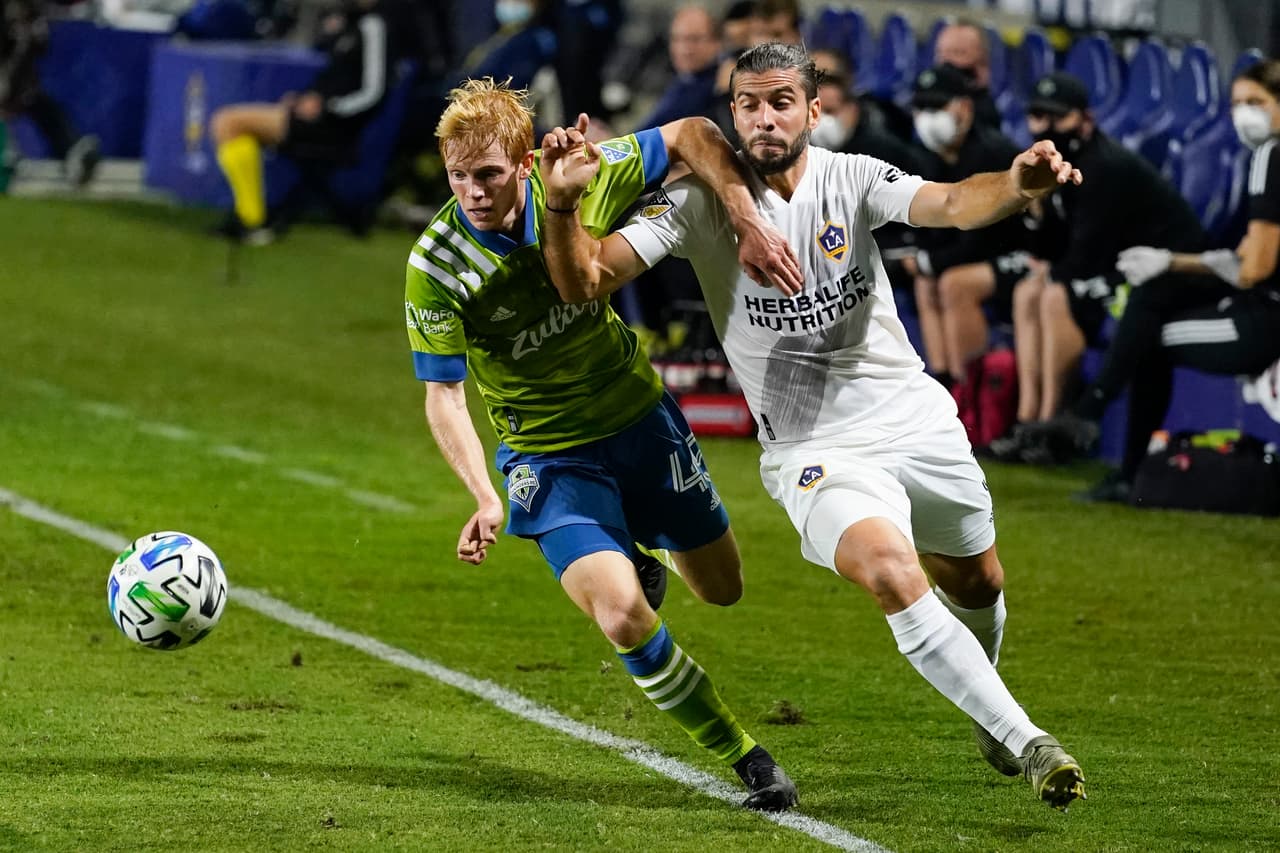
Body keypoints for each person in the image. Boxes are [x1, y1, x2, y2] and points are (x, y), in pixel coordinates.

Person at [538, 42, 1088, 810]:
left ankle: (987, 710)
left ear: (812, 110)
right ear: (733, 113)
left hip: (912, 419)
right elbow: (586, 281)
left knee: (979, 579)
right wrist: (562, 205)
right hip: (814, 450)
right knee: (893, 571)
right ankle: (1029, 740)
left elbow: (956, 203)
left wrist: (1019, 186)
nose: (766, 119)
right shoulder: (695, 204)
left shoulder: (853, 177)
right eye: (750, 105)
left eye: (781, 102)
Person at [405, 77, 804, 811]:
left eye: (488, 173)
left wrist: (744, 216)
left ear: (524, 163)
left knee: (722, 588)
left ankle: (640, 552)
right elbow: (444, 393)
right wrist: (483, 495)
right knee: (622, 614)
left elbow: (689, 133)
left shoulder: (585, 172)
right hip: (550, 459)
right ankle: (747, 756)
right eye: (458, 176)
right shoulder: (435, 267)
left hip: (639, 420)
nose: (474, 191)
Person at [1035, 58, 1280, 502]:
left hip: (1267, 317)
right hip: (1259, 304)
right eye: (1237, 103)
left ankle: (1097, 422)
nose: (1245, 113)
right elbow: (1247, 256)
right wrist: (1173, 261)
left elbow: (1255, 268)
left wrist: (1172, 262)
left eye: (1257, 102)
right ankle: (1109, 445)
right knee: (1151, 304)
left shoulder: (1271, 155)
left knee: (1148, 334)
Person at [989, 72, 1204, 463]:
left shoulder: (1103, 167)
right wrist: (1035, 210)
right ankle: (1027, 420)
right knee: (1027, 289)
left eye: (1059, 117)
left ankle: (1052, 426)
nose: (1048, 127)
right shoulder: (1051, 164)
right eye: (1039, 115)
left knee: (1054, 293)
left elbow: (1087, 255)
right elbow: (1052, 248)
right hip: (1110, 262)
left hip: (1159, 270)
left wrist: (1053, 266)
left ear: (1085, 119)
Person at [209, 0, 413, 243]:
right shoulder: (349, 23)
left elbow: (373, 91)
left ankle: (252, 219)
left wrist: (327, 108)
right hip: (319, 117)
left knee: (229, 122)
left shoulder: (375, 26)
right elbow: (334, 79)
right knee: (228, 123)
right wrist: (304, 100)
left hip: (334, 127)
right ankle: (250, 217)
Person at [905, 65, 1031, 423]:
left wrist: (930, 260)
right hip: (973, 254)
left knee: (954, 282)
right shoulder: (930, 157)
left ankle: (972, 393)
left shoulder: (989, 153)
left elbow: (981, 237)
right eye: (923, 108)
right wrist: (921, 256)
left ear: (964, 108)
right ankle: (945, 388)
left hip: (1018, 254)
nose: (929, 118)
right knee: (926, 281)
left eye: (938, 107)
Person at [0, 0, 99, 187]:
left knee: (41, 107)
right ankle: (9, 156)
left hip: (20, 78)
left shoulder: (33, 20)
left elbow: (38, 49)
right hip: (9, 73)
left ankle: (71, 151)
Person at [639, 5, 721, 128]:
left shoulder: (721, 86)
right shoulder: (681, 80)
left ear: (717, 43)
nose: (685, 49)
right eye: (677, 39)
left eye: (694, 39)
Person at [933, 18, 1002, 131]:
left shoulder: (985, 118)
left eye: (958, 52)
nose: (946, 61)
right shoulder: (926, 106)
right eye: (941, 52)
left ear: (983, 62)